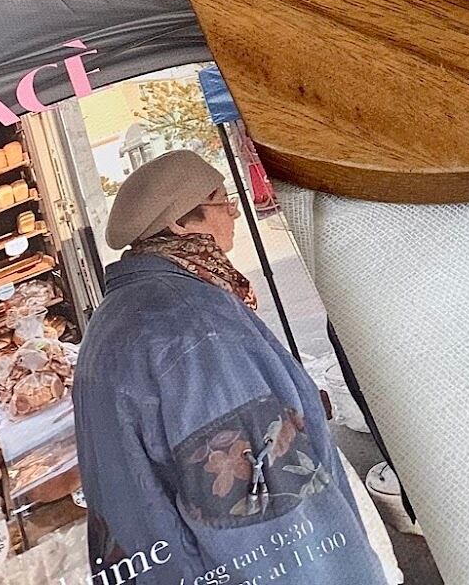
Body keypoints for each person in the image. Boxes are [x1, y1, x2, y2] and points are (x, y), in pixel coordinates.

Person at [73, 150, 387, 583]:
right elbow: (271, 516)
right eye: (221, 199)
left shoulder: (117, 315)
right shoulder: (192, 327)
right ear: (179, 223)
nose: (234, 211)